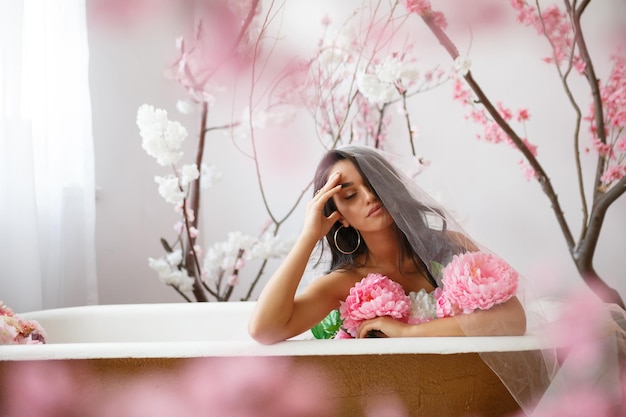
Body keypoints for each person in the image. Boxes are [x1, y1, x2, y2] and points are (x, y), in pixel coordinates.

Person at [248, 144, 526, 345]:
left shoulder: (448, 246)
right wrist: (309, 236)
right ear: (339, 217)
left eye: (375, 184)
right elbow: (264, 330)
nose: (369, 196)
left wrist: (407, 333)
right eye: (350, 195)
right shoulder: (343, 284)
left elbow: (515, 319)